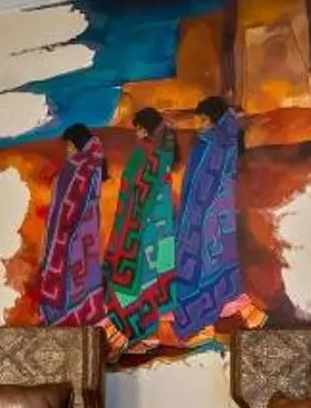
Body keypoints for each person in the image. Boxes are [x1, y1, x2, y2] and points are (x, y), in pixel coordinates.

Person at [167, 93, 258, 341]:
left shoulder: (207, 144)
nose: (197, 125)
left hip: (204, 216)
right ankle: (231, 310)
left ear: (208, 119)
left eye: (199, 120)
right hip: (224, 215)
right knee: (222, 263)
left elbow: (198, 186)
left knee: (198, 264)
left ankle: (201, 317)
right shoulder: (228, 139)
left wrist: (190, 217)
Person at [101, 107, 180, 352]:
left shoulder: (143, 152)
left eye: (138, 127)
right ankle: (149, 333)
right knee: (155, 279)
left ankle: (131, 335)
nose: (136, 131)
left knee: (132, 277)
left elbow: (131, 189)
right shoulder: (164, 151)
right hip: (162, 226)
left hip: (139, 226)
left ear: (144, 128)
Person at [32, 123, 110, 328]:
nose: (67, 151)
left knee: (66, 282)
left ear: (75, 145)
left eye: (68, 146)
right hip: (88, 236)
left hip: (70, 237)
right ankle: (90, 322)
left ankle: (63, 323)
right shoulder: (94, 163)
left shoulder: (75, 168)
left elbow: (61, 212)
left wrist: (52, 245)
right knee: (86, 280)